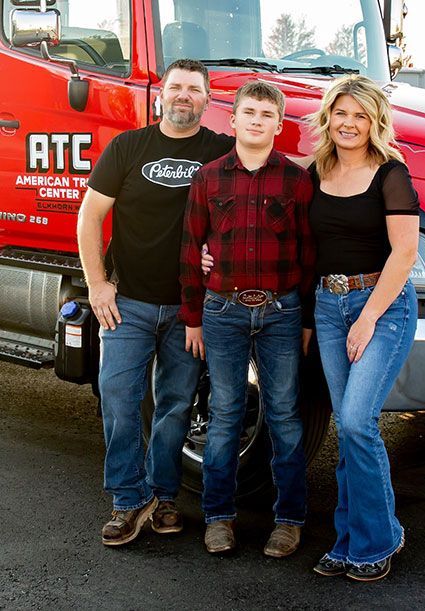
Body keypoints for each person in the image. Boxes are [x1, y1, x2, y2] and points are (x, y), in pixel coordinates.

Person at [77, 59, 234, 546]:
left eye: (194, 89)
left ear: (209, 101)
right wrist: (98, 286)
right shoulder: (129, 147)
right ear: (160, 95)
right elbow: (89, 218)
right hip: (128, 305)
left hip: (191, 311)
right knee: (120, 401)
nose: (184, 95)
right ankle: (128, 500)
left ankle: (164, 498)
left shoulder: (222, 153)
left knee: (175, 407)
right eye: (176, 87)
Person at [178, 81, 316, 557]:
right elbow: (190, 248)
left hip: (281, 312)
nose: (257, 120)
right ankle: (219, 517)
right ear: (231, 119)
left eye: (266, 114)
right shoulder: (209, 178)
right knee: (225, 416)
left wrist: (305, 321)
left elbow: (308, 254)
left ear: (280, 124)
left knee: (284, 415)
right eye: (248, 112)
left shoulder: (298, 181)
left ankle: (289, 519)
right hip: (222, 311)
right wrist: (193, 317)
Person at [304, 75, 420, 581]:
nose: (349, 123)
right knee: (350, 428)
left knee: (356, 421)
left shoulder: (391, 173)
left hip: (383, 305)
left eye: (360, 115)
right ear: (328, 117)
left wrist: (368, 316)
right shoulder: (315, 172)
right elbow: (301, 247)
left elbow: (406, 252)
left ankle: (379, 539)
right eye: (341, 113)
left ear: (374, 122)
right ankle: (348, 538)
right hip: (328, 306)